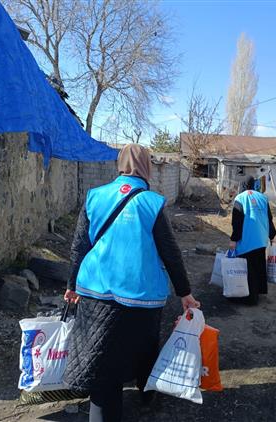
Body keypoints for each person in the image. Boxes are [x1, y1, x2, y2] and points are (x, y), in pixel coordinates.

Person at [63, 144, 200, 422]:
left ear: (119, 164)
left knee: (102, 361)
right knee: (144, 349)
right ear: (146, 166)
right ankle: (148, 393)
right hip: (142, 297)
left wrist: (71, 284)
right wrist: (184, 292)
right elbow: (169, 251)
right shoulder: (151, 202)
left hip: (95, 292)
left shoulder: (95, 197)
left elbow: (80, 246)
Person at [229, 176, 276, 305]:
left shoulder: (240, 198)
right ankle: (257, 294)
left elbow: (237, 221)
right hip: (261, 239)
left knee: (247, 270)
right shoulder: (262, 198)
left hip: (247, 240)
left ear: (242, 185)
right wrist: (272, 235)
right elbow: (269, 218)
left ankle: (248, 298)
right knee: (259, 267)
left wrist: (234, 239)